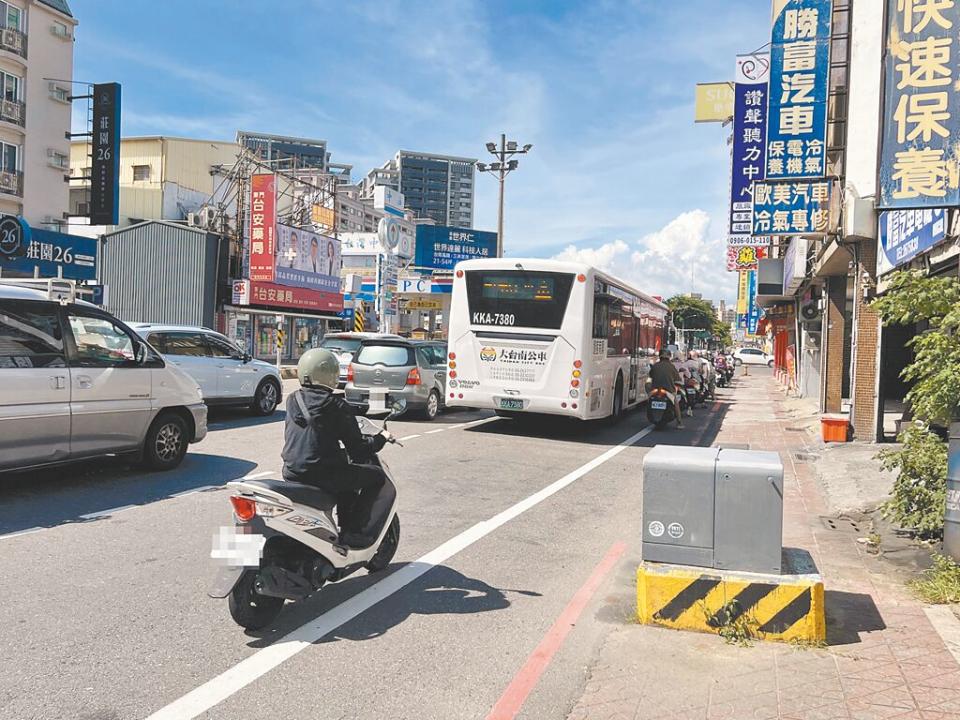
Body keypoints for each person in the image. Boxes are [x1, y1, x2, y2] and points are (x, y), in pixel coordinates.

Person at [281, 348, 394, 549]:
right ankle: (354, 533)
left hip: (291, 471)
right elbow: (358, 450)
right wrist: (380, 439)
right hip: (322, 474)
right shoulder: (335, 406)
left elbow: (313, 435)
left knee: (345, 478)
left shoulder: (292, 399)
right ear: (330, 374)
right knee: (375, 477)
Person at [648, 350, 684, 428]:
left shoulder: (655, 365)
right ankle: (679, 422)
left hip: (655, 390)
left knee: (649, 399)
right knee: (676, 403)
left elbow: (650, 375)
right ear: (669, 357)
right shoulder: (671, 367)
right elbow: (678, 379)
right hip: (669, 390)